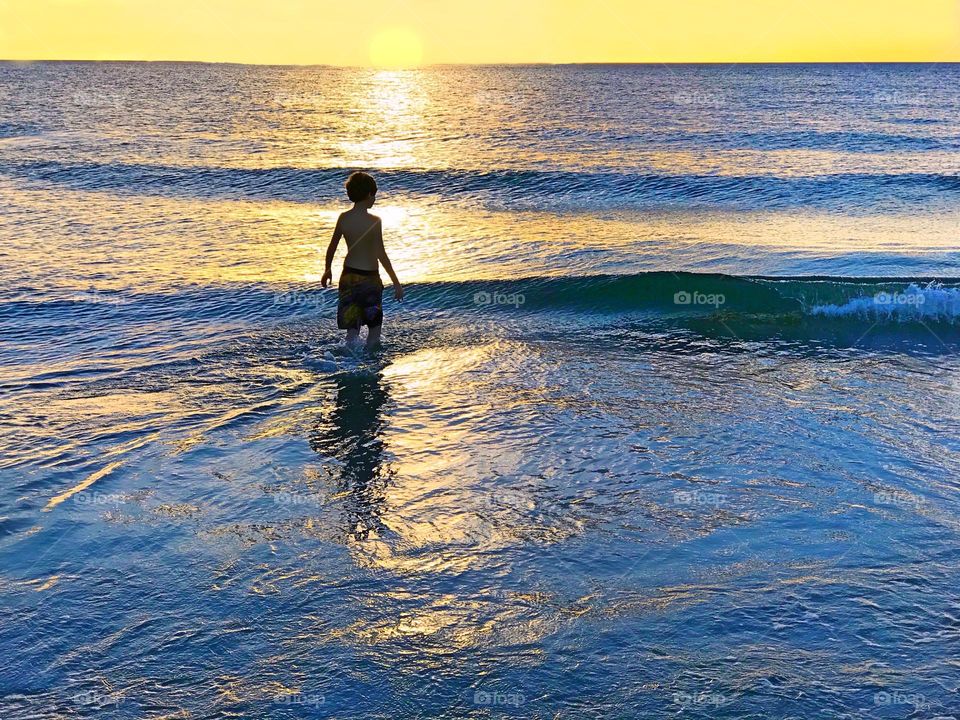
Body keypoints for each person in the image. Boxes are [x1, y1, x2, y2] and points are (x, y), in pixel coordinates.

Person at [321, 172, 403, 350]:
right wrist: (396, 282)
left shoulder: (344, 218)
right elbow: (381, 253)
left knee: (352, 329)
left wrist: (327, 269)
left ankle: (349, 360)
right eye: (374, 194)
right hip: (369, 280)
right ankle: (371, 362)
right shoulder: (375, 221)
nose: (375, 199)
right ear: (368, 194)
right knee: (374, 328)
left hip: (348, 277)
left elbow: (332, 247)